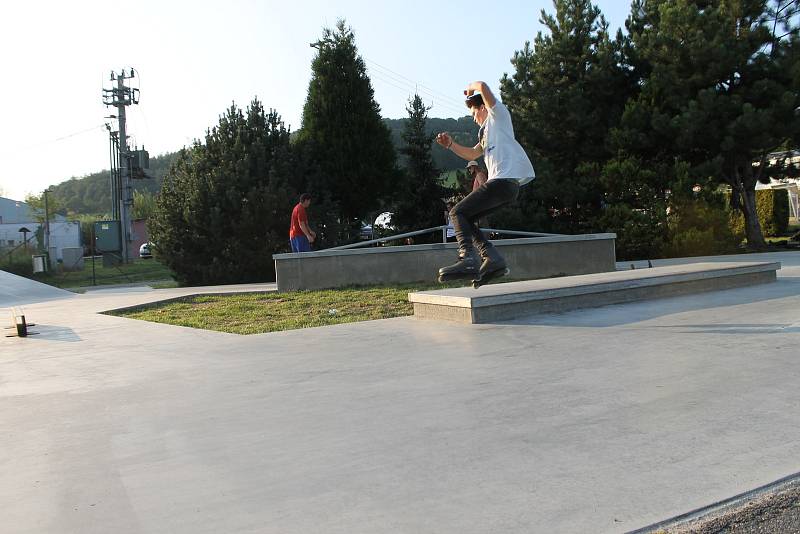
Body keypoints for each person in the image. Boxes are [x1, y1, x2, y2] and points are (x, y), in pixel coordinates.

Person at [435, 81, 535, 283]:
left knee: (457, 212)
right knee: (466, 219)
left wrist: (472, 89)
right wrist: (451, 145)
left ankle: (468, 258)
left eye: (473, 114)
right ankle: (492, 258)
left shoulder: (498, 117)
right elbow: (472, 153)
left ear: (482, 108)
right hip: (506, 189)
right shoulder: (485, 133)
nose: (473, 120)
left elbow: (483, 86)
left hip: (502, 181)